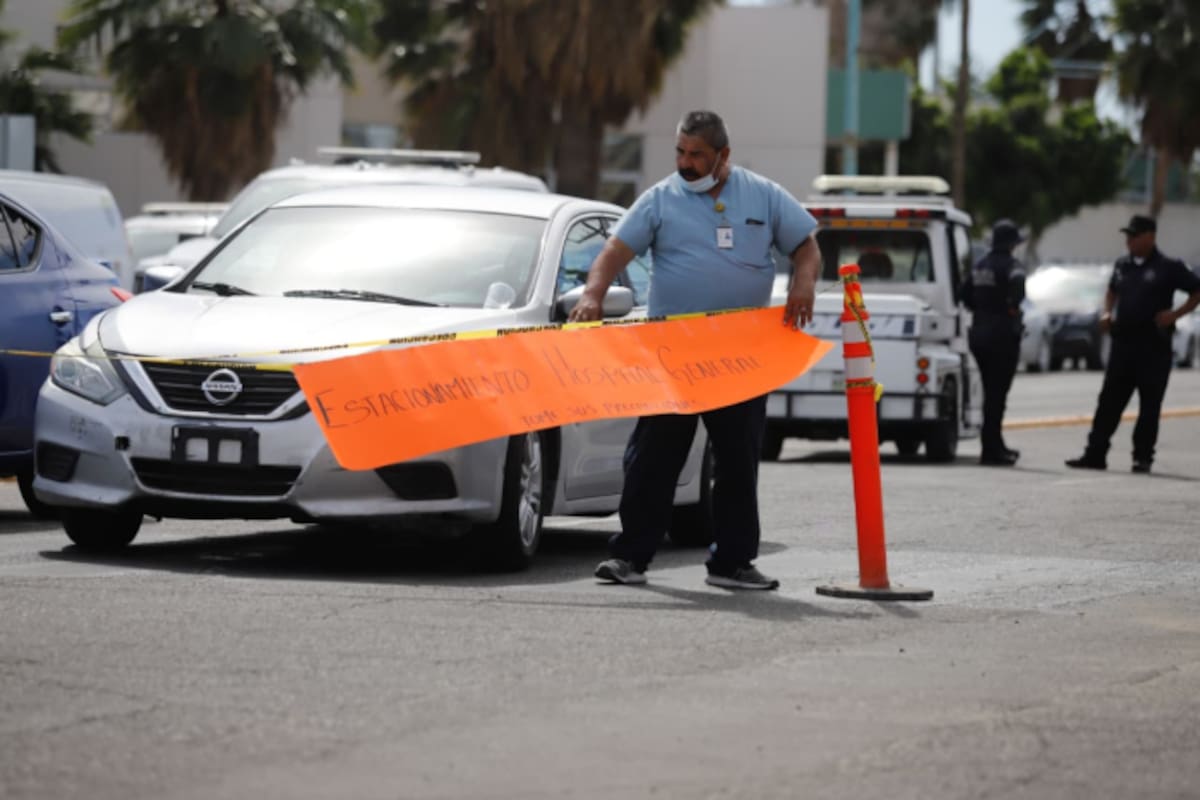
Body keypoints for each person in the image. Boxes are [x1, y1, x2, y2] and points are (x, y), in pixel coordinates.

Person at [567, 110, 820, 590]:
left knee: (737, 462)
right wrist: (593, 294)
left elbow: (805, 246)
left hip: (740, 353)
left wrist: (802, 284)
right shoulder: (660, 199)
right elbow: (614, 253)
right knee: (652, 458)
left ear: (723, 156)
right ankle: (630, 557)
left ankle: (732, 563)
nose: (685, 163)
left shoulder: (763, 195)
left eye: (696, 155)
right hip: (674, 353)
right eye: (680, 152)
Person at [1066, 215, 1200, 473]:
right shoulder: (1122, 265)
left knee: (1149, 405)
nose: (1129, 241)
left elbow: (1196, 291)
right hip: (1123, 344)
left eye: (1134, 235)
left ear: (1150, 236)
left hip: (1153, 346)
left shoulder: (1168, 267)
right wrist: (1107, 313)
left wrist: (1175, 315)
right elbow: (1111, 291)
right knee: (1108, 402)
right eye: (1127, 236)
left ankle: (1142, 457)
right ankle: (1095, 453)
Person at [963, 219, 1027, 466]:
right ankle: (991, 450)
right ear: (1012, 244)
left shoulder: (980, 266)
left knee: (991, 394)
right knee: (997, 396)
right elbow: (1018, 292)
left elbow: (964, 295)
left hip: (979, 335)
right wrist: (1009, 308)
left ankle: (995, 444)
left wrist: (983, 309)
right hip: (1002, 338)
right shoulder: (1012, 266)